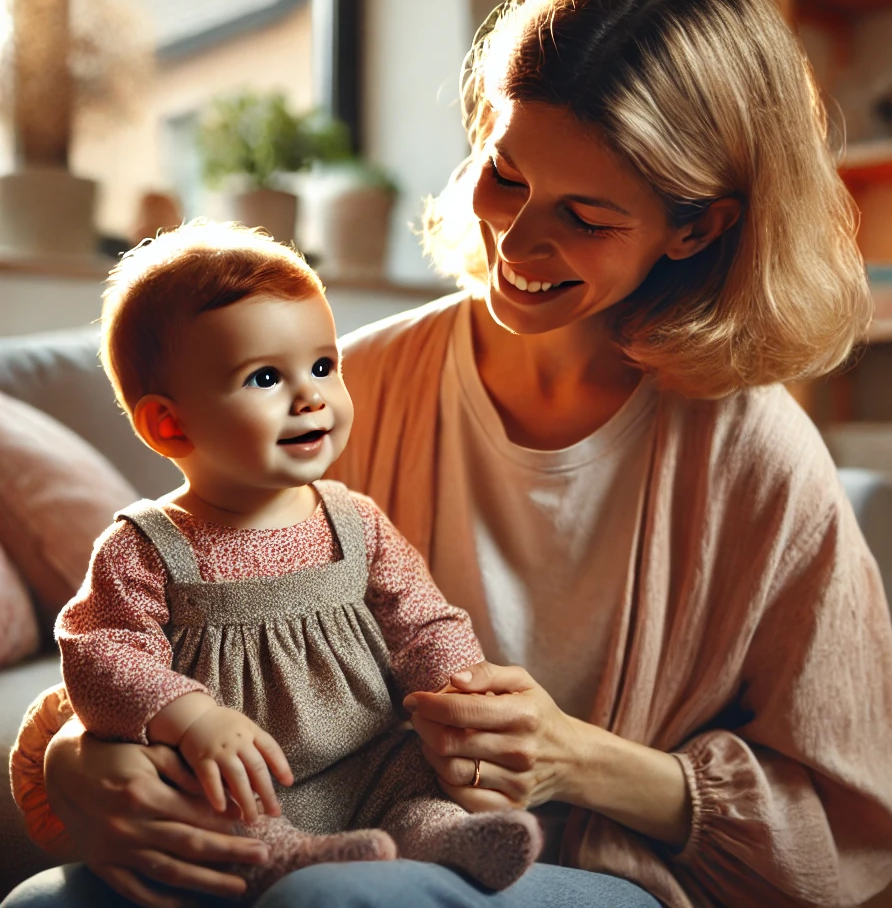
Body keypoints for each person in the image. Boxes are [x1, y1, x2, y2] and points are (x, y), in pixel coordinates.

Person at [4, 0, 892, 908]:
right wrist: (71, 759)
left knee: (331, 901)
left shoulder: (757, 456)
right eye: (505, 170)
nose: (517, 238)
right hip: (334, 824)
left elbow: (839, 825)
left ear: (697, 226)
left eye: (586, 215)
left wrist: (577, 761)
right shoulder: (358, 383)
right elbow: (170, 611)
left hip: (594, 872)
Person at [32, 222, 543, 903]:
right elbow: (99, 653)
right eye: (266, 377)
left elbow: (422, 619)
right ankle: (284, 859)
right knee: (211, 802)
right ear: (169, 425)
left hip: (366, 758)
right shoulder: (145, 546)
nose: (310, 396)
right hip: (240, 772)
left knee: (410, 775)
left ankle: (435, 832)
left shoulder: (353, 519)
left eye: (324, 366)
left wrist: (456, 685)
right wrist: (193, 718)